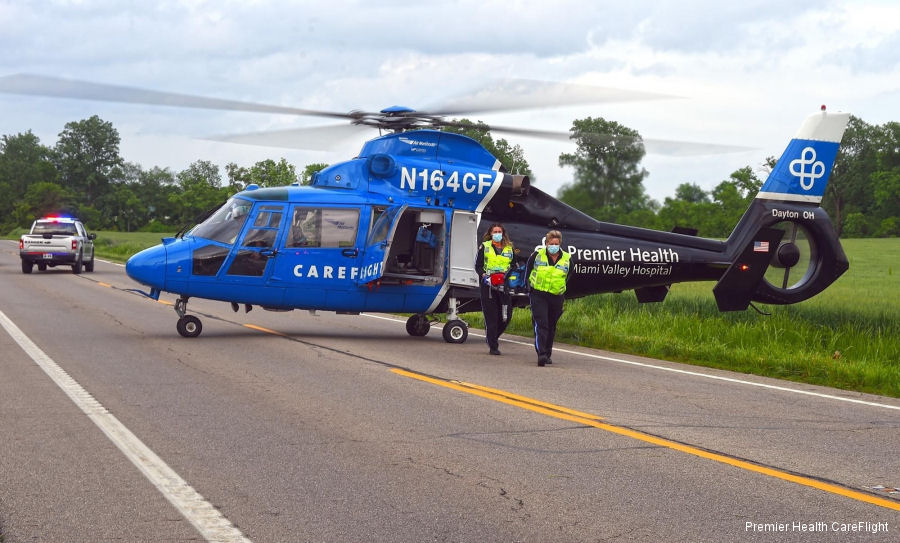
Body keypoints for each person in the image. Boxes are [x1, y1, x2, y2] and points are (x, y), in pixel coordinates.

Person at [525, 230, 571, 366]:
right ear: (546, 243)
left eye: (556, 244)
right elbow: (527, 272)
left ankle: (548, 353)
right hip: (538, 295)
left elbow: (569, 275)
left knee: (551, 325)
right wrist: (529, 289)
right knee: (542, 324)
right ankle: (541, 354)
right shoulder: (537, 255)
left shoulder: (567, 258)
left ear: (560, 244)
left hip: (556, 296)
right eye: (551, 243)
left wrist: (561, 289)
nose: (554, 246)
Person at [474, 223, 516, 355]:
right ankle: (493, 346)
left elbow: (514, 265)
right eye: (495, 231)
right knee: (491, 316)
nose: (497, 234)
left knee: (506, 316)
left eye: (499, 231)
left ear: (503, 233)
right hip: (489, 287)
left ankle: (492, 336)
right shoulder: (484, 247)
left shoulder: (509, 249)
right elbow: (478, 266)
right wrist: (484, 276)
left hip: (504, 286)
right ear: (490, 233)